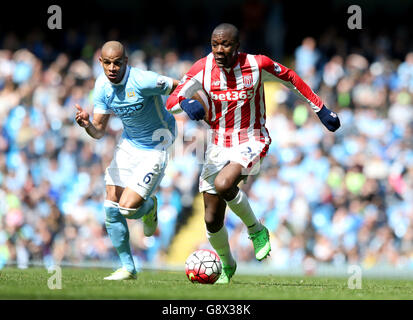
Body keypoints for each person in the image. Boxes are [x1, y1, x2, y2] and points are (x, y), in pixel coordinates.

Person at [166, 23, 340, 284]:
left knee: (225, 184)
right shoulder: (202, 69)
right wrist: (186, 104)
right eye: (215, 44)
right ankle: (227, 264)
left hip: (252, 137)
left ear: (237, 46)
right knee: (211, 219)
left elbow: (291, 77)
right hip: (216, 144)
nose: (220, 50)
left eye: (225, 44)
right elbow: (172, 100)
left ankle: (257, 230)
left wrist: (321, 109)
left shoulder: (257, 65)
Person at [75, 41, 179, 280]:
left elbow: (179, 86)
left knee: (128, 210)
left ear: (126, 62)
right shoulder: (101, 87)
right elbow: (99, 132)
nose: (112, 68)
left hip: (157, 144)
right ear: (100, 62)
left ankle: (150, 207)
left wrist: (189, 104)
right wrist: (87, 124)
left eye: (117, 63)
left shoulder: (143, 80)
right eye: (107, 63)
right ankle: (128, 268)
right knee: (110, 208)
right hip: (129, 145)